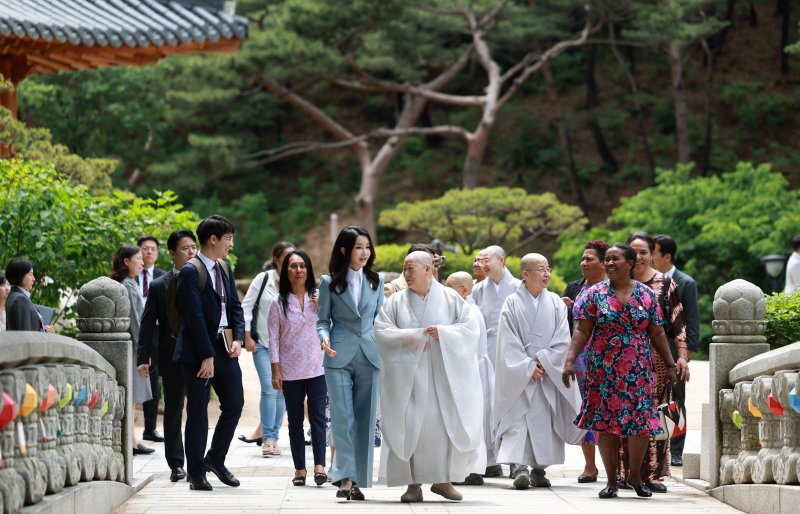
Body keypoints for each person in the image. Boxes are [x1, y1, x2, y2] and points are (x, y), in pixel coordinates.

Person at [562, 243, 679, 499]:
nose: (609, 263)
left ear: (630, 263)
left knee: (640, 423)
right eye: (607, 259)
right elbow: (582, 331)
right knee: (605, 423)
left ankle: (635, 477)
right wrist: (569, 361)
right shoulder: (594, 294)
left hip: (639, 369)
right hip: (603, 370)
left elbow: (658, 332)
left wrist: (671, 365)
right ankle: (611, 481)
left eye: (615, 259)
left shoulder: (646, 295)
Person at [376, 251, 485, 503]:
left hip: (442, 376)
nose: (405, 274)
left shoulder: (450, 298)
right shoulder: (395, 302)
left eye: (410, 268)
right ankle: (413, 485)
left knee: (441, 426)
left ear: (428, 269)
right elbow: (382, 332)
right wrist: (413, 338)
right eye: (404, 268)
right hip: (407, 377)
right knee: (409, 425)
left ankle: (442, 480)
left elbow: (470, 329)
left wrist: (444, 334)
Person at [494, 254, 583, 490]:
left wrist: (544, 362)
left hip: (546, 371)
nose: (547, 274)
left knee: (545, 419)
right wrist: (527, 366)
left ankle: (539, 469)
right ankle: (520, 467)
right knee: (518, 418)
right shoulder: (511, 303)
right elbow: (507, 341)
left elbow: (563, 338)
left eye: (548, 269)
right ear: (526, 274)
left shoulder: (555, 302)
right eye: (541, 269)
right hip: (521, 372)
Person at [173, 215, 245, 491]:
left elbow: (235, 306)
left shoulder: (224, 267)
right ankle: (195, 473)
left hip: (225, 347)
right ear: (213, 239)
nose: (231, 244)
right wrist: (206, 355)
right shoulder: (191, 271)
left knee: (235, 404)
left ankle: (215, 458)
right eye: (228, 239)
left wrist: (238, 338)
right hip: (198, 352)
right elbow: (193, 317)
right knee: (198, 412)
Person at [619, 232, 690, 492]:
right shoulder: (616, 282)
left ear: (652, 255)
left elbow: (678, 324)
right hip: (622, 362)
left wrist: (681, 357)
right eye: (633, 252)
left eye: (644, 252)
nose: (638, 257)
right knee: (624, 416)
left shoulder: (665, 283)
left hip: (658, 362)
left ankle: (652, 475)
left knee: (655, 416)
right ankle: (624, 474)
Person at [317, 226, 384, 501]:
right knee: (343, 419)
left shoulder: (377, 281)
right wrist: (324, 338)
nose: (365, 253)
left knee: (366, 421)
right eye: (358, 247)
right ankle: (345, 476)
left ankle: (359, 480)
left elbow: (380, 320)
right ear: (345, 250)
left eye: (367, 247)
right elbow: (322, 321)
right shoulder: (328, 282)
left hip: (370, 355)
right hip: (337, 356)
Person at [137, 229, 197, 481]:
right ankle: (176, 464)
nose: (191, 252)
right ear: (172, 253)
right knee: (173, 410)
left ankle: (198, 462)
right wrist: (143, 357)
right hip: (171, 355)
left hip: (199, 355)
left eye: (193, 247)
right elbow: (147, 322)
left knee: (197, 410)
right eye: (185, 248)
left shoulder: (204, 278)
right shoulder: (158, 285)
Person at [268, 250, 328, 487]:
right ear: (286, 271)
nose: (298, 270)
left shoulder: (319, 298)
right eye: (293, 266)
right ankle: (300, 470)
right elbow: (273, 338)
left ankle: (320, 467)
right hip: (289, 370)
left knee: (318, 418)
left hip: (317, 367)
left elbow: (332, 327)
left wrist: (322, 307)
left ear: (309, 270)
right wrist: (275, 369)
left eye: (302, 266)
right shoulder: (277, 303)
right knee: (294, 421)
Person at [239, 242, 294, 457]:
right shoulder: (263, 279)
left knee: (282, 391)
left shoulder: (296, 280)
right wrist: (247, 336)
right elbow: (246, 307)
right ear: (276, 259)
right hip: (263, 344)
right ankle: (268, 439)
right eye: (287, 257)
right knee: (269, 388)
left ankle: (273, 437)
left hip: (287, 348)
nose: (292, 262)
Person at [470, 244, 520, 477]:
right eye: (480, 260)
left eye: (486, 260)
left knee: (512, 405)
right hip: (485, 352)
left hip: (512, 352)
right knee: (486, 406)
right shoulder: (478, 289)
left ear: (502, 260)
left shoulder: (518, 287)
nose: (482, 264)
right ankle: (489, 461)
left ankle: (516, 461)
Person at [561, 240, 609, 483]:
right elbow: (567, 325)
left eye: (589, 259)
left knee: (609, 408)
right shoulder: (574, 287)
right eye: (583, 259)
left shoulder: (615, 288)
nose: (583, 263)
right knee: (585, 408)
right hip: (580, 359)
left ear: (604, 262)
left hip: (608, 357)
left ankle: (615, 466)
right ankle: (590, 466)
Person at [653, 234, 700, 467]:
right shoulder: (645, 281)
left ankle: (677, 450)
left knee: (675, 402)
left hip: (675, 351)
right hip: (652, 351)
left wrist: (684, 356)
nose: (650, 257)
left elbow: (691, 321)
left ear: (667, 257)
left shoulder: (685, 282)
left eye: (653, 252)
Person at [445, 271, 493, 486]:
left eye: (450, 287)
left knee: (469, 422)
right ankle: (461, 468)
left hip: (469, 373)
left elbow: (465, 344)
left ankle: (471, 469)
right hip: (463, 372)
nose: (446, 292)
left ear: (464, 290)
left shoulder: (470, 313)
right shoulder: (461, 310)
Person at [110, 245, 155, 456]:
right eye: (138, 258)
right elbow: (136, 321)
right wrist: (144, 349)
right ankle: (131, 441)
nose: (142, 263)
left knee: (132, 396)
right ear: (126, 262)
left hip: (133, 346)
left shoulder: (128, 284)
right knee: (131, 395)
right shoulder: (128, 285)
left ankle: (133, 440)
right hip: (134, 347)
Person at [137, 235, 167, 444]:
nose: (148, 252)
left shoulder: (163, 277)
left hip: (156, 334)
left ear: (157, 252)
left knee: (153, 379)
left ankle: (150, 428)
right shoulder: (130, 277)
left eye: (152, 249)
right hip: (133, 332)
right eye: (145, 249)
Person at [4, 259, 52, 332]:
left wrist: (42, 330)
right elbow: (25, 334)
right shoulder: (20, 299)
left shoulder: (10, 294)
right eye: (30, 274)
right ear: (20, 275)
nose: (34, 279)